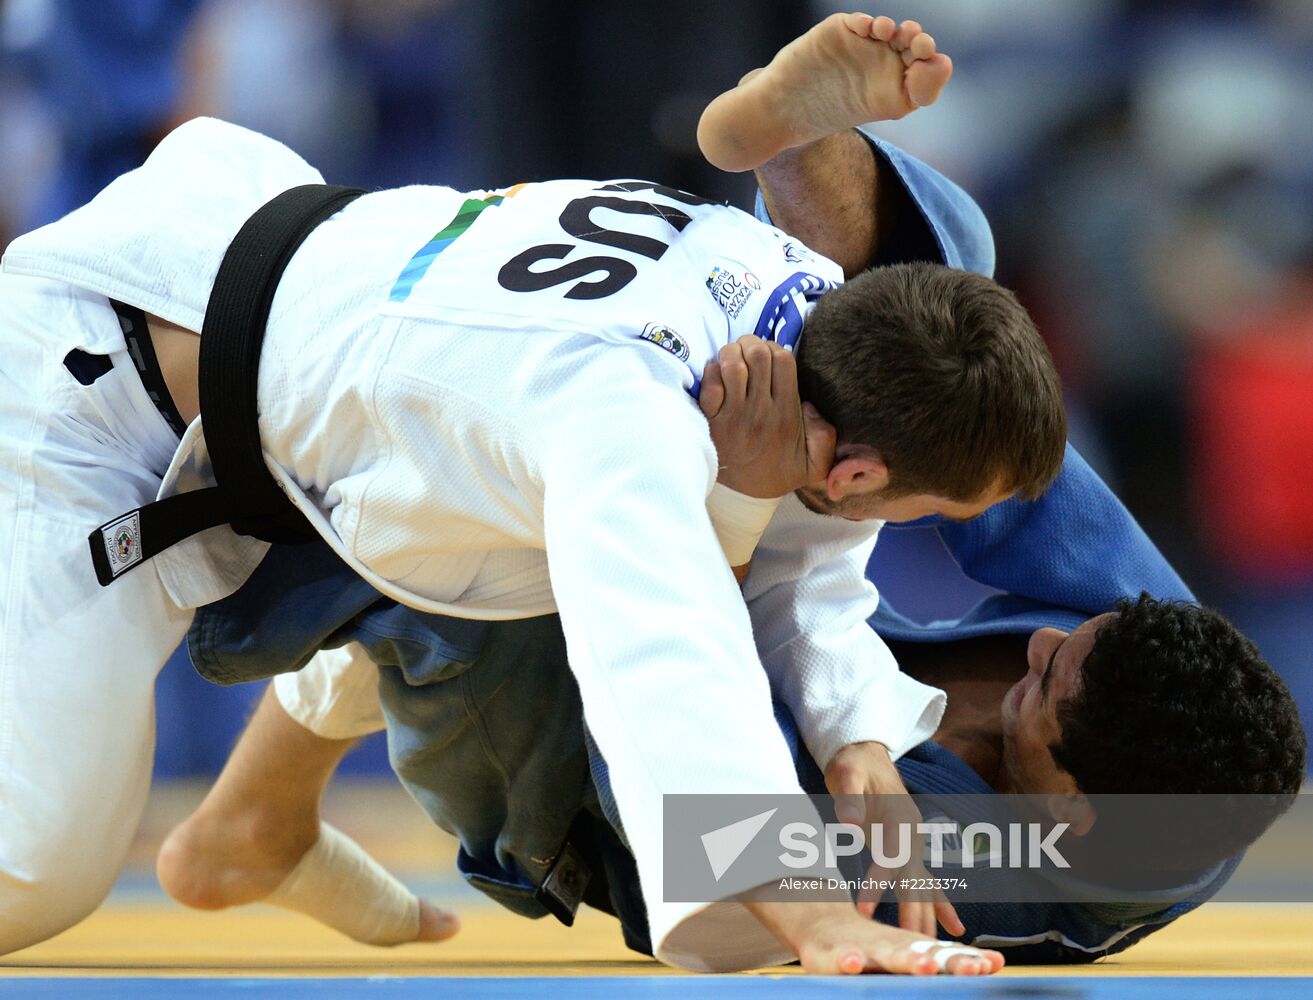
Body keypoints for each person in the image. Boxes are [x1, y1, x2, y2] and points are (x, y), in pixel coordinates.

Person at [0, 11, 1044, 974]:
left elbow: (798, 540)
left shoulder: (802, 307)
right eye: (935, 510)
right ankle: (235, 810)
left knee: (483, 525)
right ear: (861, 472)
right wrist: (804, 907)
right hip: (95, 386)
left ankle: (253, 817)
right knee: (39, 871)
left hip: (281, 279)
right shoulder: (622, 411)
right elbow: (666, 649)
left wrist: (856, 740)